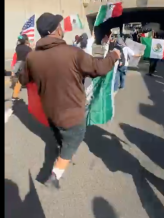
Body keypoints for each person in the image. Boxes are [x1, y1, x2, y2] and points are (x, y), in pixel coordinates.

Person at [19, 12, 120, 189]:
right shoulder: (73, 53)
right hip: (72, 114)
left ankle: (60, 148)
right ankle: (54, 176)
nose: (62, 28)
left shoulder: (32, 57)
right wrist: (114, 55)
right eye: (60, 25)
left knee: (59, 133)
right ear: (56, 30)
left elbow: (23, 80)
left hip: (50, 112)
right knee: (72, 142)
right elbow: (99, 68)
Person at [12, 34, 32, 100]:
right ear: (25, 40)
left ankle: (15, 95)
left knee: (19, 82)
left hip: (18, 66)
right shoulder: (28, 49)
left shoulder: (17, 48)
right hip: (25, 65)